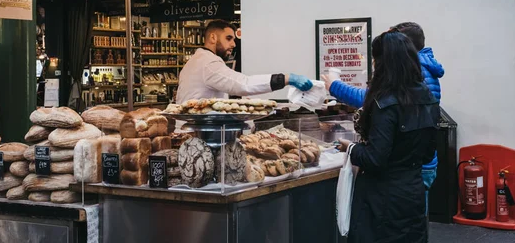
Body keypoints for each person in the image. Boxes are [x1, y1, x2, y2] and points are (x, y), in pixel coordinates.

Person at [323, 22, 444, 222]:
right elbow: (427, 147)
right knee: (414, 223)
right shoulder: (425, 93)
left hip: (393, 187)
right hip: (414, 178)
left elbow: (376, 158)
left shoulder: (389, 100)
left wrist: (351, 148)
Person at [176, 20, 312, 103]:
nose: (234, 44)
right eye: (228, 38)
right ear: (213, 38)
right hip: (199, 136)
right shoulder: (209, 63)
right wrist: (287, 78)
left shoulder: (196, 60)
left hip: (193, 132)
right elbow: (244, 84)